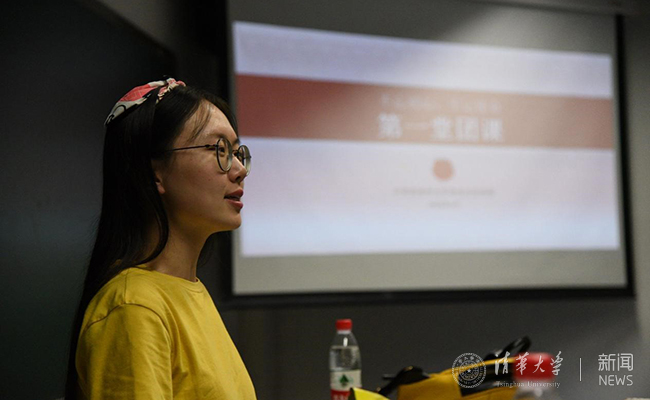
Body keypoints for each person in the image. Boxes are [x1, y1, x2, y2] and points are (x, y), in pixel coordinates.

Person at [64, 78, 255, 400]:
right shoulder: (134, 306)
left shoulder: (184, 289)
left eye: (237, 153)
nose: (239, 170)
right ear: (154, 173)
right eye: (219, 150)